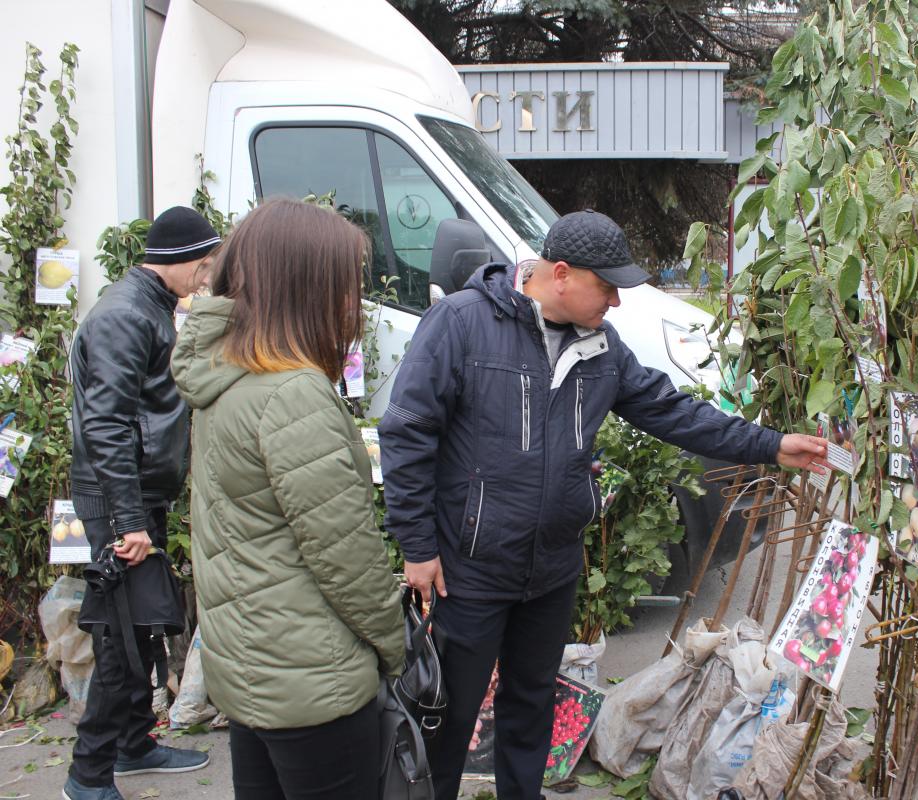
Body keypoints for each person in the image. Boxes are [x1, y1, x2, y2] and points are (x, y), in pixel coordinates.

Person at [379, 209, 829, 800]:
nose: (616, 302)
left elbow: (673, 412)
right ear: (560, 273)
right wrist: (417, 546)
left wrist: (770, 445)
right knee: (451, 713)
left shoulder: (601, 348)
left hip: (552, 567)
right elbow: (407, 430)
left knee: (532, 705)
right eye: (608, 286)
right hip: (471, 568)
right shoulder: (461, 324)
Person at [171, 198, 407, 800]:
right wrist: (393, 646)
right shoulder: (292, 393)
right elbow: (346, 558)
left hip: (250, 669)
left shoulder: (228, 377)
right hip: (314, 682)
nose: (353, 304)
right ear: (304, 287)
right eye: (344, 285)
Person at [65, 206, 220, 800]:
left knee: (143, 625)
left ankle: (132, 745)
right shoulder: (126, 316)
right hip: (117, 503)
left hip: (134, 497)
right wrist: (128, 520)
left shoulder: (149, 308)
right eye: (204, 269)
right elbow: (104, 425)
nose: (204, 281)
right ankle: (87, 776)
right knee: (122, 641)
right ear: (185, 262)